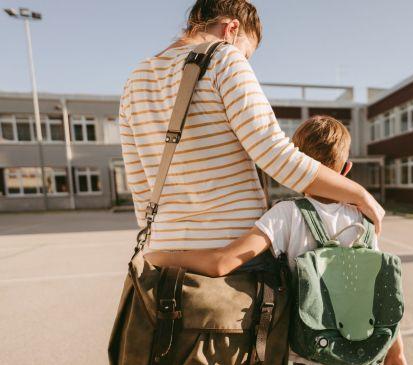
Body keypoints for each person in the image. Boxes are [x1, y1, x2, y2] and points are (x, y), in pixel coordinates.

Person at [119, 0, 384, 256]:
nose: (244, 61)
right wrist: (359, 194)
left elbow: (140, 186)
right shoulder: (224, 56)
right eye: (247, 54)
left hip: (165, 254)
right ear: (231, 29)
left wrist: (162, 244)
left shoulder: (135, 78)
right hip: (230, 256)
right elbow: (274, 153)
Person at [146, 116, 408, 365]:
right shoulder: (364, 218)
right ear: (347, 168)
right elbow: (379, 290)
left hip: (307, 351)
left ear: (294, 167)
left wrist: (159, 256)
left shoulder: (287, 214)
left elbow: (222, 263)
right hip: (360, 346)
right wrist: (396, 353)